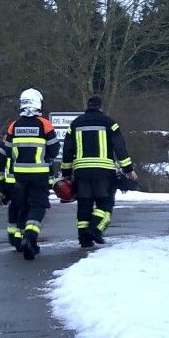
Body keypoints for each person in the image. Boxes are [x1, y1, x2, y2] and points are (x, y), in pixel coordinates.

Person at [61, 95, 135, 248]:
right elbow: (119, 147)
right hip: (104, 172)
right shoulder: (110, 123)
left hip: (81, 172)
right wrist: (128, 169)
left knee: (84, 204)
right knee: (105, 203)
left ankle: (84, 239)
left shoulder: (75, 124)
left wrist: (66, 173)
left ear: (87, 107)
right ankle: (95, 229)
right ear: (101, 107)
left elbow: (67, 150)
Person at [0, 88, 62, 259]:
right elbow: (54, 150)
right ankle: (30, 237)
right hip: (39, 174)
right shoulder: (45, 124)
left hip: (19, 176)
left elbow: (7, 150)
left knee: (23, 206)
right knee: (38, 207)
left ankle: (20, 237)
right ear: (38, 103)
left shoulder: (14, 125)